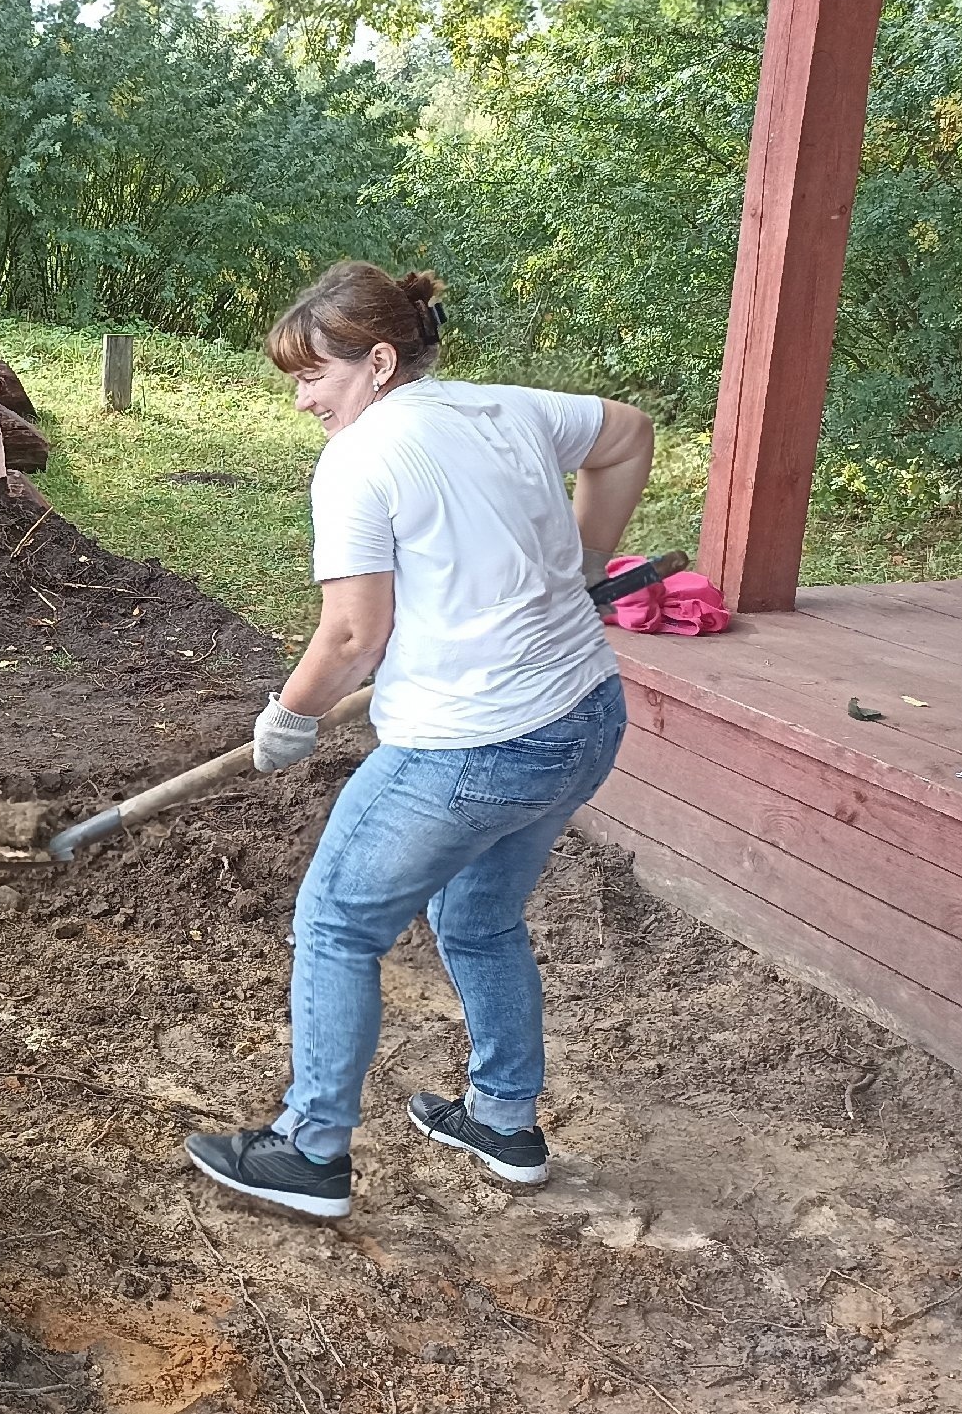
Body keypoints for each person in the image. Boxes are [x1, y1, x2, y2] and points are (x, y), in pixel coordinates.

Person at [185, 263, 654, 1219]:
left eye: (314, 376)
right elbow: (631, 433)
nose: (304, 398)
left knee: (334, 923)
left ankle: (310, 1150)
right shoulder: (506, 408)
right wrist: (585, 561)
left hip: (472, 748)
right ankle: (505, 1118)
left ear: (381, 361)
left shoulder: (360, 459)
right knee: (477, 918)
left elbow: (356, 634)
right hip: (583, 718)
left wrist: (292, 715)